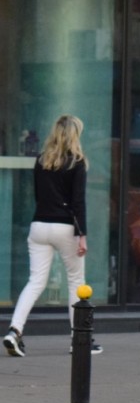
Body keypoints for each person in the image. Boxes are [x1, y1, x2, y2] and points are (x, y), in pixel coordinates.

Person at [4, 115, 102, 358]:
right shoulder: (77, 162)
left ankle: (14, 331)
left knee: (35, 281)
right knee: (76, 282)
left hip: (39, 224)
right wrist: (82, 235)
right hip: (65, 226)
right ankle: (79, 340)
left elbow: (38, 195)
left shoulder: (41, 160)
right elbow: (78, 201)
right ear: (74, 135)